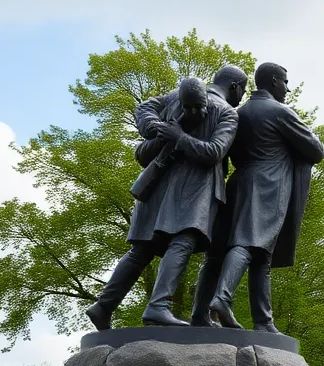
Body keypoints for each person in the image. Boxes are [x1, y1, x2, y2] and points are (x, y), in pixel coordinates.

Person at [85, 74, 239, 329]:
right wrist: (160, 130)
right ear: (236, 87)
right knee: (182, 241)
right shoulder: (227, 112)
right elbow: (215, 152)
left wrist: (170, 133)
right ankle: (158, 306)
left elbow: (144, 107)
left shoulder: (175, 96)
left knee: (141, 251)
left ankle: (103, 306)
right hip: (193, 189)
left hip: (158, 186)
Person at [190, 61, 324, 331]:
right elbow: (316, 150)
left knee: (240, 254)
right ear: (274, 81)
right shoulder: (280, 112)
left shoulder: (237, 113)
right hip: (267, 187)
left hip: (235, 184)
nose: (287, 88)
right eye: (285, 82)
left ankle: (257, 321)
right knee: (250, 244)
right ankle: (222, 299)